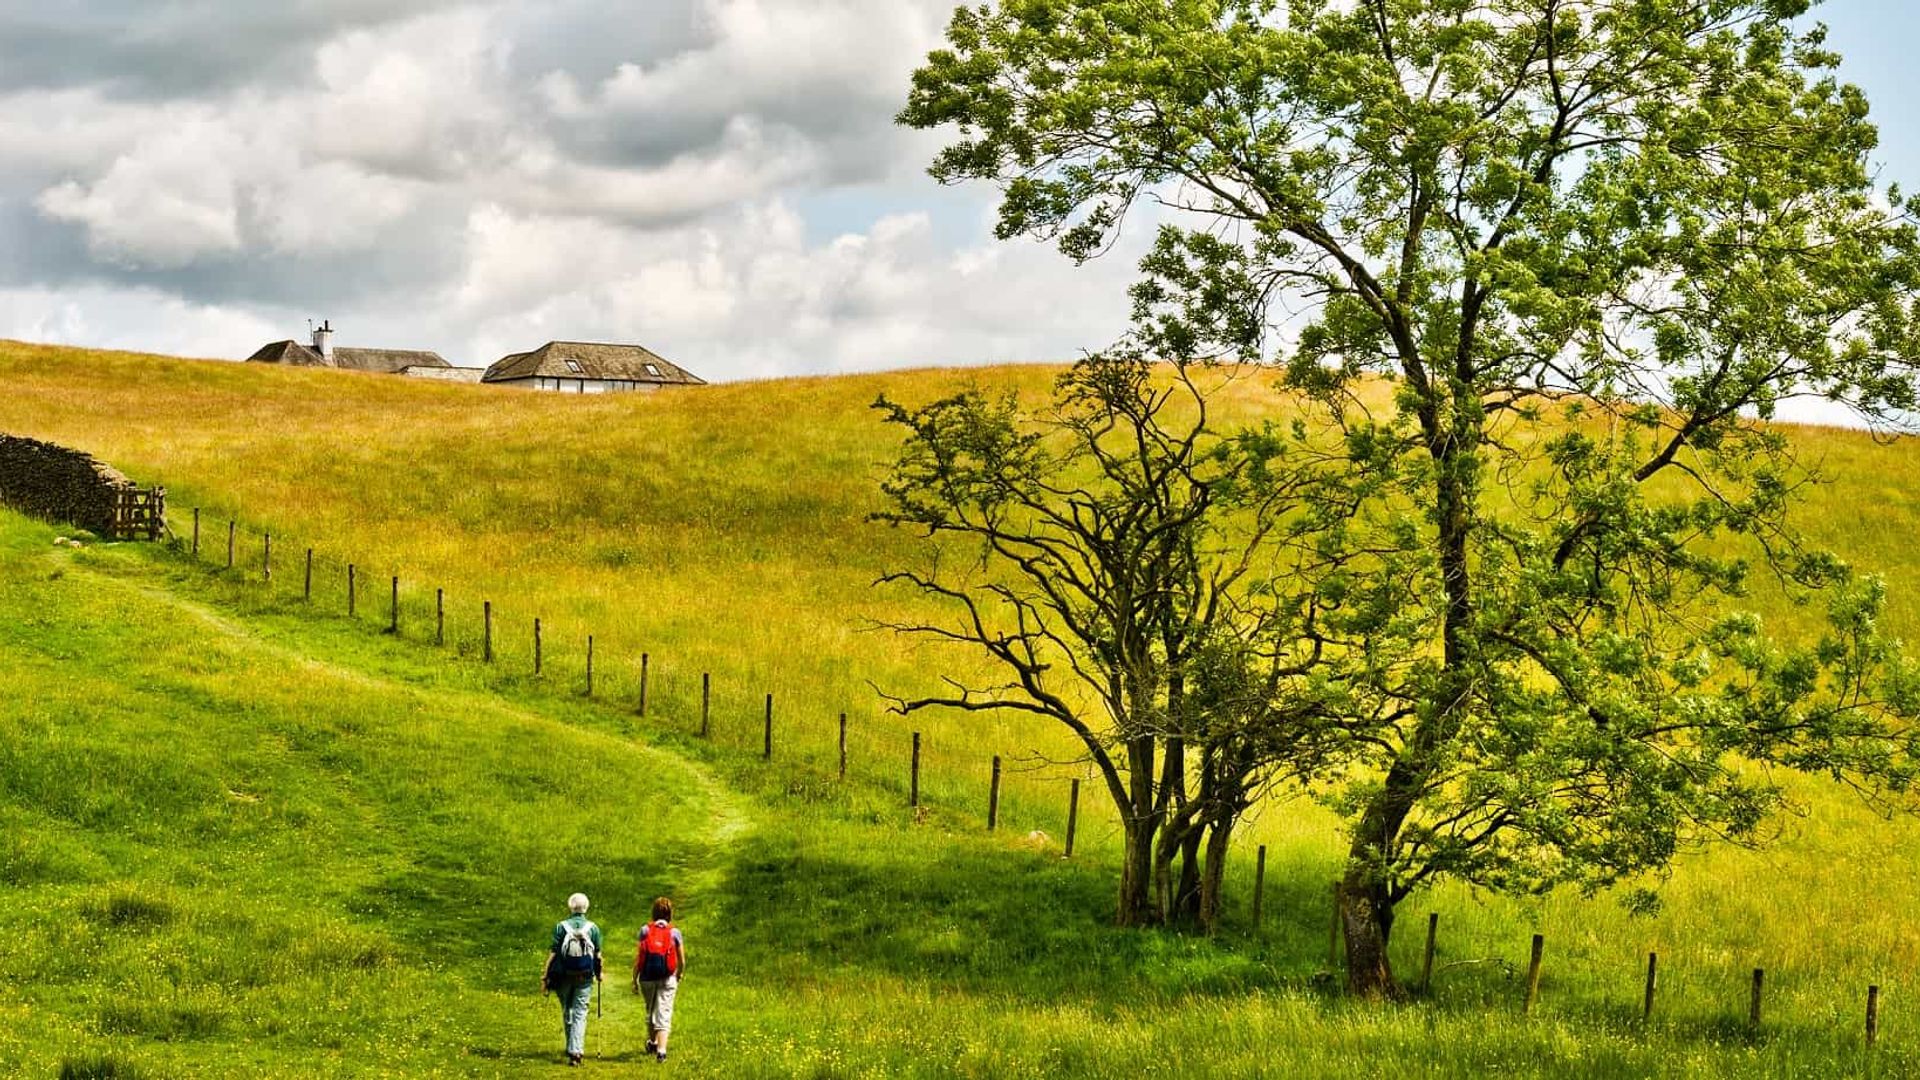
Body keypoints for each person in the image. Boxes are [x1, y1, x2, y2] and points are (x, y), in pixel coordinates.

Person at [543, 892, 603, 1066]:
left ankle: (572, 1047)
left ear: (570, 907)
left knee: (567, 1010)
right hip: (585, 976)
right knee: (580, 1012)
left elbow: (554, 953)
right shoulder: (593, 928)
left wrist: (545, 975)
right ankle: (575, 1051)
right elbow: (597, 955)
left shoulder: (561, 927)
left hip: (563, 975)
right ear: (586, 908)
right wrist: (599, 974)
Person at [631, 896, 686, 1063]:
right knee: (664, 1011)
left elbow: (639, 957)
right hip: (668, 977)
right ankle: (661, 1051)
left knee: (651, 1010)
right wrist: (679, 974)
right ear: (670, 913)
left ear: (653, 912)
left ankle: (652, 1042)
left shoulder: (645, 930)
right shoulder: (675, 932)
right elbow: (682, 960)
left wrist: (634, 979)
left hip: (647, 977)